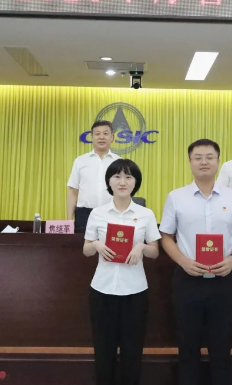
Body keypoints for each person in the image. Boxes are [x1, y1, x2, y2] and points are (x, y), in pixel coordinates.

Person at [159, 138, 232, 385]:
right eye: (198, 157)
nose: (204, 162)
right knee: (187, 346)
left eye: (209, 157)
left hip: (223, 280)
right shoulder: (176, 197)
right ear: (190, 162)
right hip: (188, 281)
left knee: (222, 347)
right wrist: (183, 262)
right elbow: (166, 236)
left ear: (218, 161)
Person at [83, 159, 161, 385]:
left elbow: (155, 252)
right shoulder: (97, 213)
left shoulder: (146, 214)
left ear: (136, 182)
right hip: (102, 290)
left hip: (135, 292)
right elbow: (86, 250)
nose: (122, 182)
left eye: (128, 177)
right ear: (109, 181)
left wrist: (141, 247)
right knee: (103, 351)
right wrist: (96, 244)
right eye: (117, 176)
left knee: (132, 352)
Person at [68, 120, 121, 233]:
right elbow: (73, 191)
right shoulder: (80, 161)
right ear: (92, 137)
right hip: (84, 214)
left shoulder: (119, 162)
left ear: (112, 137)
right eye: (97, 134)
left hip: (112, 213)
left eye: (105, 133)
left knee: (111, 244)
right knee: (81, 244)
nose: (101, 137)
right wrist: (68, 220)